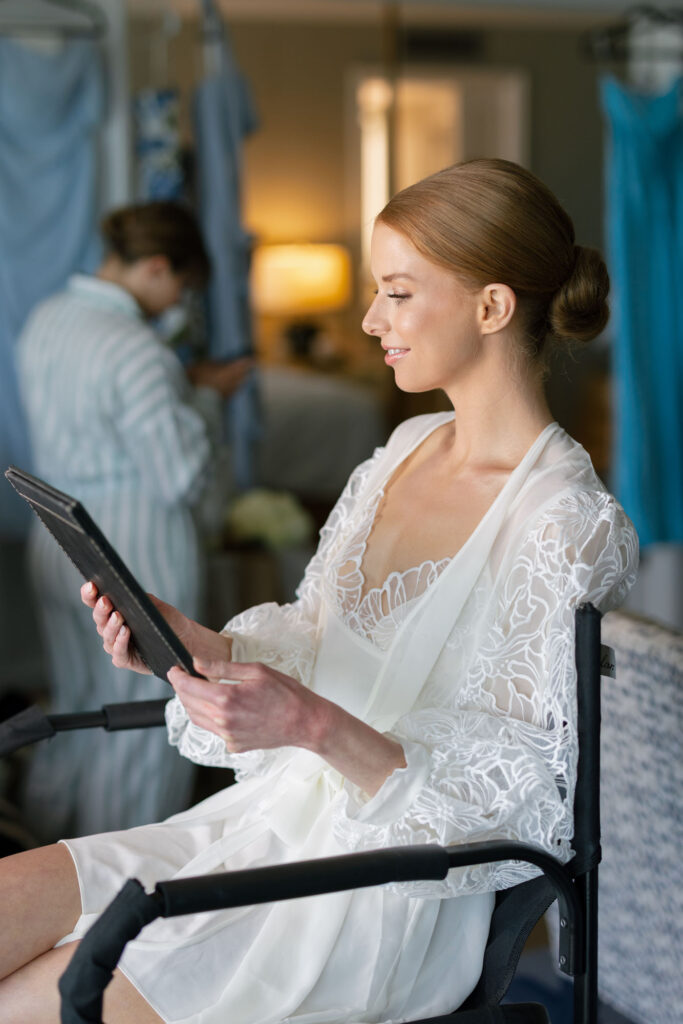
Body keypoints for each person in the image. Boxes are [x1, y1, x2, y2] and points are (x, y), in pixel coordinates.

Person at [0, 160, 638, 1024]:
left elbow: (517, 807)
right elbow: (312, 641)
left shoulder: (565, 519)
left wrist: (310, 724)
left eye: (399, 294)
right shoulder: (404, 446)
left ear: (491, 308)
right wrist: (201, 647)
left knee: (38, 1002)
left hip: (380, 896)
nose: (372, 319)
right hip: (266, 827)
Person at [13, 201, 252, 841]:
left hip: (55, 533)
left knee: (77, 706)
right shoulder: (138, 348)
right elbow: (180, 473)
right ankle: (122, 876)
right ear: (154, 268)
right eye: (180, 285)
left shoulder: (47, 320)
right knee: (146, 715)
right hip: (131, 541)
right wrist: (202, 396)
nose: (177, 301)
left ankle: (43, 853)